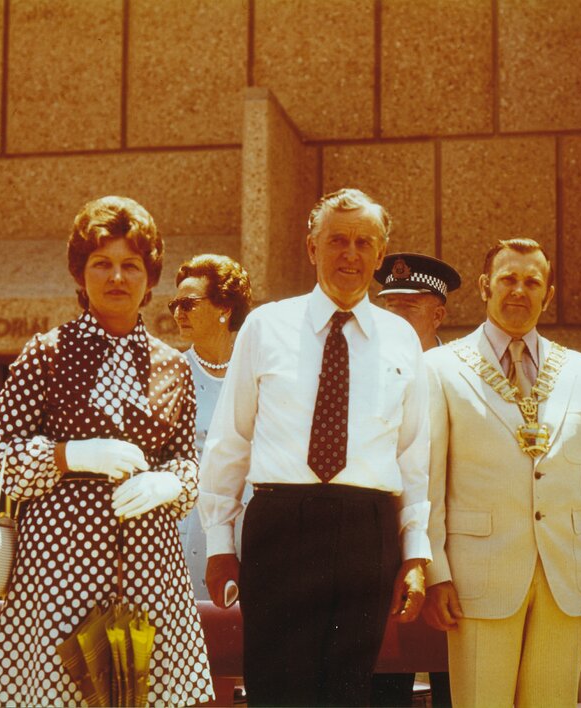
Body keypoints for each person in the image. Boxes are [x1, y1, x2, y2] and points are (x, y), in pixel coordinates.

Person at [199, 187, 431, 707]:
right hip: (282, 525)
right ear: (311, 248)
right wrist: (219, 544)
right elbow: (230, 440)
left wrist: (414, 553)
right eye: (337, 241)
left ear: (379, 252)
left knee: (350, 692)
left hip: (366, 530)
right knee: (278, 690)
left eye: (363, 243)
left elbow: (414, 458)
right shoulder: (265, 326)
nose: (350, 254)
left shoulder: (401, 339)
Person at [0, 196, 213, 706]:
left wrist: (172, 482)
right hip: (60, 568)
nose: (117, 277)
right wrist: (70, 455)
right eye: (101, 263)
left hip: (150, 569)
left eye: (131, 265)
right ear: (80, 274)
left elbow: (189, 462)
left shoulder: (174, 367)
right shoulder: (46, 353)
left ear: (150, 279)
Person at [422, 238, 581, 707]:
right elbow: (428, 480)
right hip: (478, 576)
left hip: (567, 576)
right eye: (508, 279)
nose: (519, 290)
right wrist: (435, 570)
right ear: (484, 287)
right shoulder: (439, 368)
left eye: (532, 281)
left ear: (548, 294)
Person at [372, 252, 460, 707]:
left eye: (408, 307)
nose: (395, 317)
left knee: (453, 687)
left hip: (453, 558)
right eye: (388, 307)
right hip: (385, 549)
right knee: (384, 686)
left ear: (438, 313)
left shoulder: (464, 374)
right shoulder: (364, 373)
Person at [170, 254, 253, 598]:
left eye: (189, 303)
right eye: (175, 304)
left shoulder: (255, 372)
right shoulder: (168, 376)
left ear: (225, 308)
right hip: (188, 530)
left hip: (251, 525)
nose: (178, 312)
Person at [375, 252, 461, 350]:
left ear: (437, 316)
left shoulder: (453, 364)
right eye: (392, 305)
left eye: (410, 307)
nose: (398, 317)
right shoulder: (370, 363)